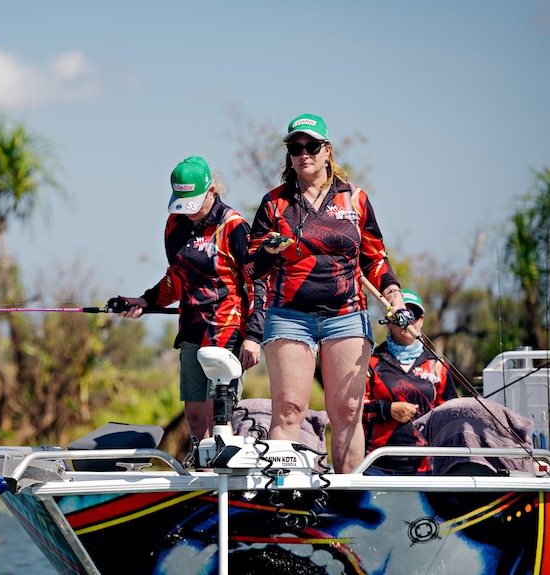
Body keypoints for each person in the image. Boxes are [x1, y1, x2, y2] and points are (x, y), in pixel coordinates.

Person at [244, 113, 407, 474]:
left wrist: (394, 294)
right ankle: (281, 503)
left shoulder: (357, 199)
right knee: (288, 409)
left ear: (327, 150)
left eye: (312, 146)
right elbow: (252, 270)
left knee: (347, 412)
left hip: (346, 315)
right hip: (288, 315)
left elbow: (375, 257)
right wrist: (267, 252)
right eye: (295, 147)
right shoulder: (274, 203)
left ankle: (347, 502)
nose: (304, 154)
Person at [118, 155, 266, 444]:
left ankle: (225, 476)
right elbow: (177, 277)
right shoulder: (174, 225)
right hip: (191, 331)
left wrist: (254, 336)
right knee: (195, 415)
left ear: (211, 191)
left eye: (194, 205)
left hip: (227, 331)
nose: (189, 212)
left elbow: (259, 281)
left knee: (217, 413)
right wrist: (147, 301)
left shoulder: (233, 226)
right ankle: (205, 475)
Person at [363, 289, 458, 474]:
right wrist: (388, 410)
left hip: (427, 468)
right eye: (400, 314)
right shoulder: (371, 362)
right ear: (388, 321)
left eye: (413, 315)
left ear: (422, 320)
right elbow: (353, 411)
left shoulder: (437, 366)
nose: (407, 321)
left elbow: (452, 416)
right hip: (376, 466)